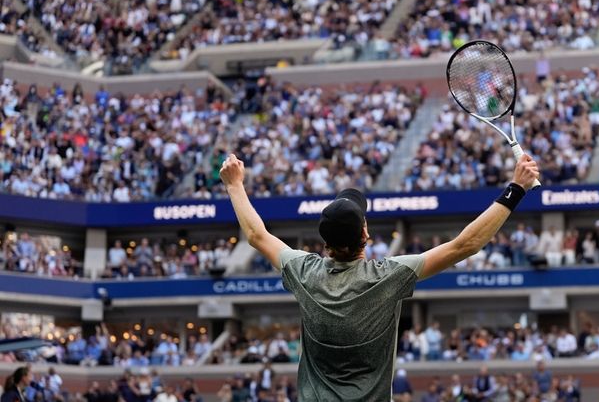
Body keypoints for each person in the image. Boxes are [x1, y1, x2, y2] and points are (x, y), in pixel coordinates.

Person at [220, 153, 539, 401]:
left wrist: (234, 185)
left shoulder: (304, 272)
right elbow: (465, 245)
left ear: (326, 244)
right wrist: (516, 189)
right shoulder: (387, 277)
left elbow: (256, 235)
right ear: (366, 234)